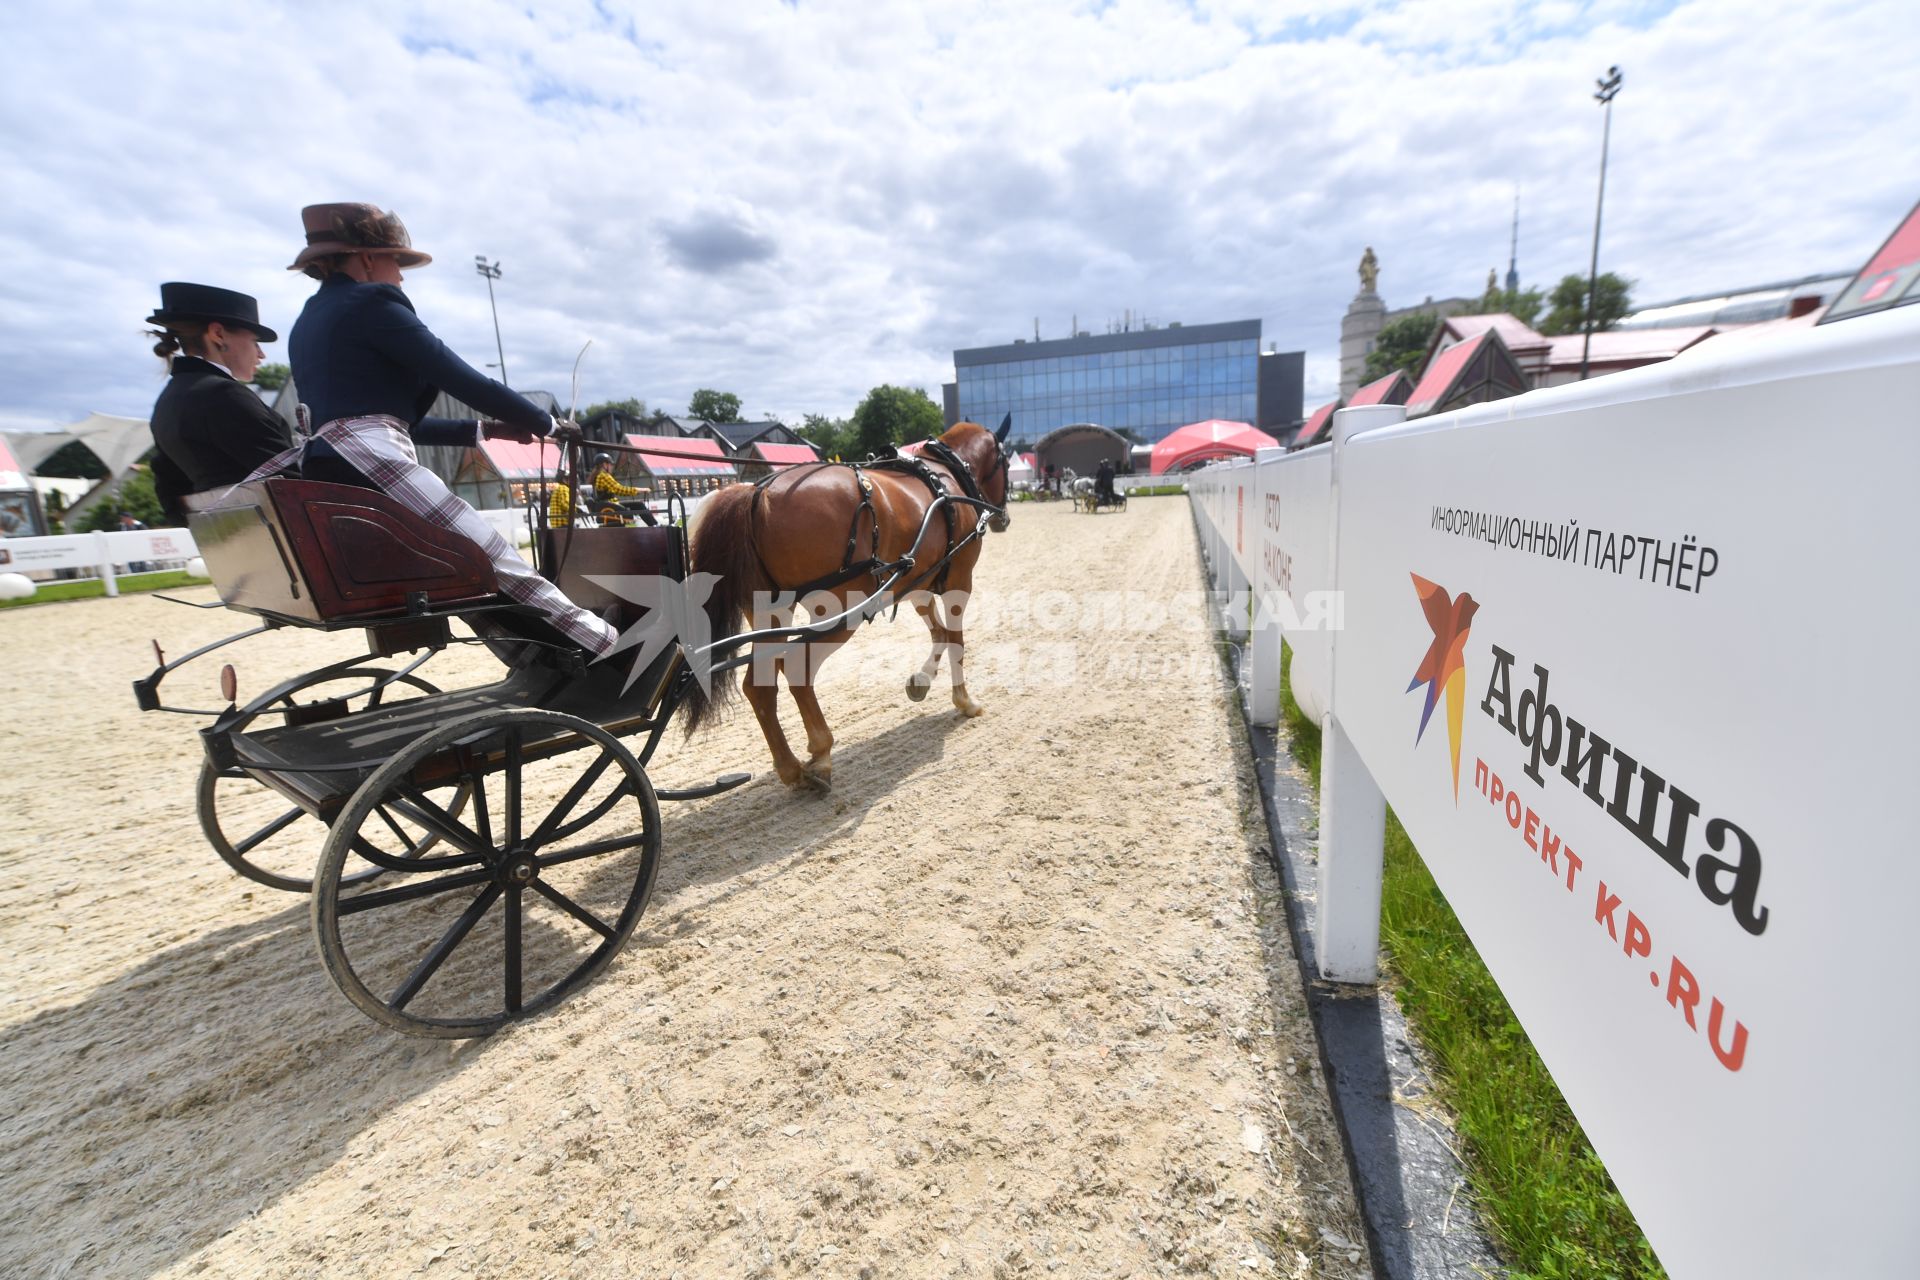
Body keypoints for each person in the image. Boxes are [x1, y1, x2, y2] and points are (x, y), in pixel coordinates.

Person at [280, 202, 615, 656]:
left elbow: (384, 417)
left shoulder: (308, 321)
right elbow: (456, 374)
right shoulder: (372, 302)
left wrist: (484, 431)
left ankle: (535, 655)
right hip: (369, 457)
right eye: (396, 262)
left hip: (335, 461)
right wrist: (548, 423)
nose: (399, 276)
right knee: (490, 555)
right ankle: (608, 646)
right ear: (364, 258)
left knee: (458, 569)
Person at [143, 282, 293, 524]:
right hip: (278, 531)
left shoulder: (168, 402)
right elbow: (290, 480)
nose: (261, 354)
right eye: (255, 342)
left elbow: (170, 494)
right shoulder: (224, 394)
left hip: (231, 537)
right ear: (218, 334)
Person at [590, 453, 653, 526]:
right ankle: (654, 526)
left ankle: (654, 525)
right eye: (610, 464)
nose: (612, 467)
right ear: (604, 464)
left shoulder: (599, 476)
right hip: (611, 507)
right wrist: (640, 490)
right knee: (639, 505)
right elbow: (620, 490)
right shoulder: (603, 476)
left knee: (637, 505)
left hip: (611, 505)